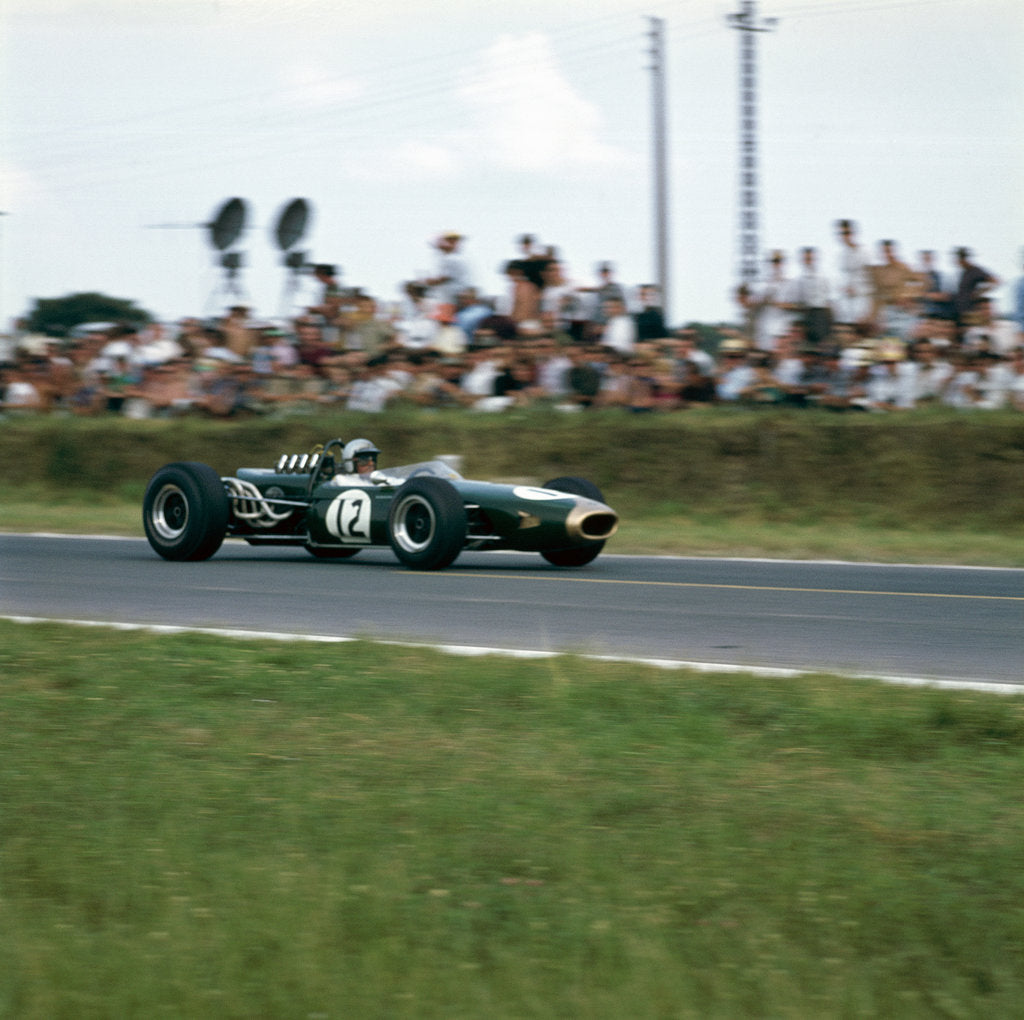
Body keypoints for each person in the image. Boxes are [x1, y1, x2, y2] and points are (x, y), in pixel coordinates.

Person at [834, 219, 873, 329]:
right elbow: (838, 281)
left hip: (863, 302)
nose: (845, 236)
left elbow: (874, 281)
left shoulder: (866, 253)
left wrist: (858, 290)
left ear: (854, 233)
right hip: (845, 305)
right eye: (841, 233)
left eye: (847, 233)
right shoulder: (840, 256)